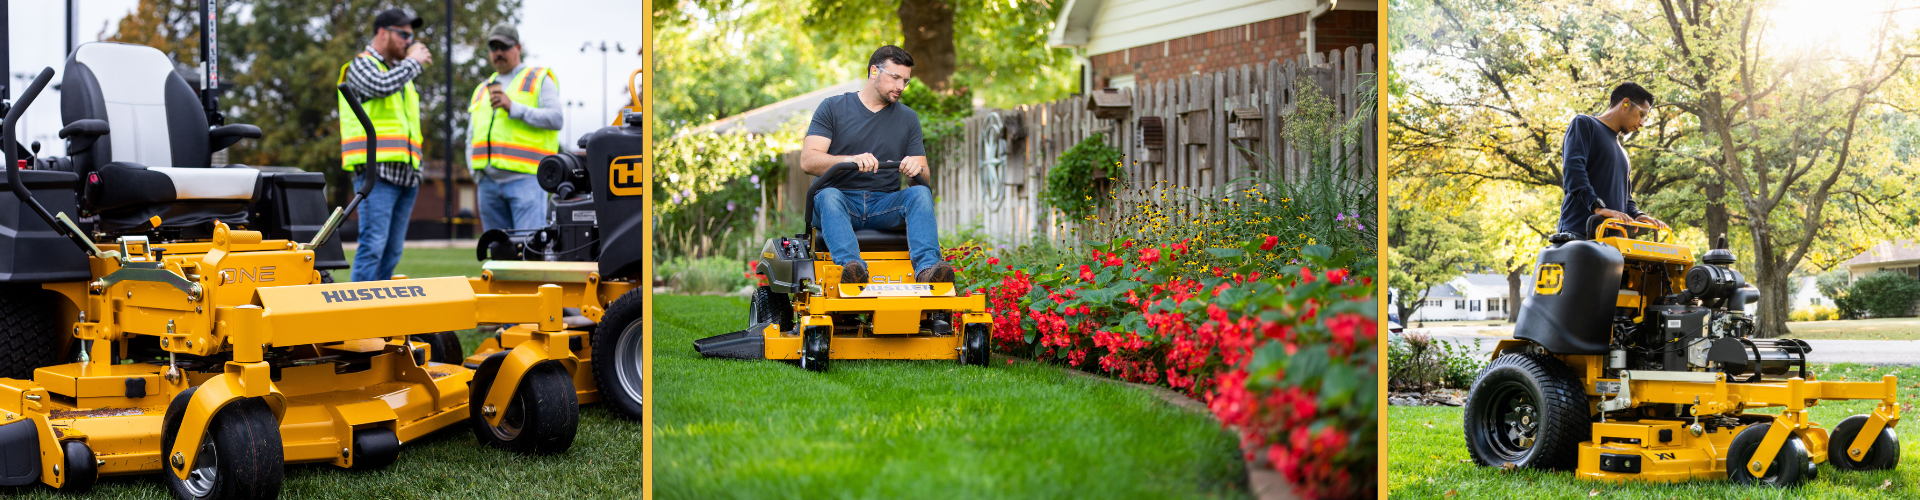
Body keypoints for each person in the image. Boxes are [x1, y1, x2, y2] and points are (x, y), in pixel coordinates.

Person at [800, 45, 951, 284]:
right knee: (827, 195)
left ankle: (928, 270)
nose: (901, 87)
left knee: (920, 192)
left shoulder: (908, 118)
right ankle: (852, 270)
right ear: (873, 71)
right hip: (840, 201)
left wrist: (915, 170)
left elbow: (924, 175)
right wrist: (849, 160)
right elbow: (808, 161)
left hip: (884, 204)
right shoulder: (832, 108)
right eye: (895, 78)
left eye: (906, 81)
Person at [339, 8, 430, 282]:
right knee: (373, 247)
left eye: (411, 36)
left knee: (392, 251)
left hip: (406, 175)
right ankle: (358, 316)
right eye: (403, 34)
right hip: (376, 176)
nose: (408, 41)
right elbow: (380, 86)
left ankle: (380, 314)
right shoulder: (362, 65)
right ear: (382, 33)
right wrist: (414, 62)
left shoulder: (400, 74)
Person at [467, 24, 563, 234]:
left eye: (504, 46)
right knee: (498, 252)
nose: (499, 52)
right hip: (488, 184)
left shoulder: (538, 78)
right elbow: (471, 136)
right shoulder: (481, 89)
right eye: (494, 47)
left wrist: (514, 108)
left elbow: (556, 118)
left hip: (526, 181)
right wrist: (476, 174)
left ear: (518, 48)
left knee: (530, 250)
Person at [1557, 82, 1668, 239]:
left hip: (1614, 243)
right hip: (1580, 234)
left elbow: (1626, 198)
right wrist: (1597, 207)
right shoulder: (1585, 124)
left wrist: (1637, 214)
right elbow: (1573, 171)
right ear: (1625, 103)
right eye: (1641, 114)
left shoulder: (1623, 154)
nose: (1642, 123)